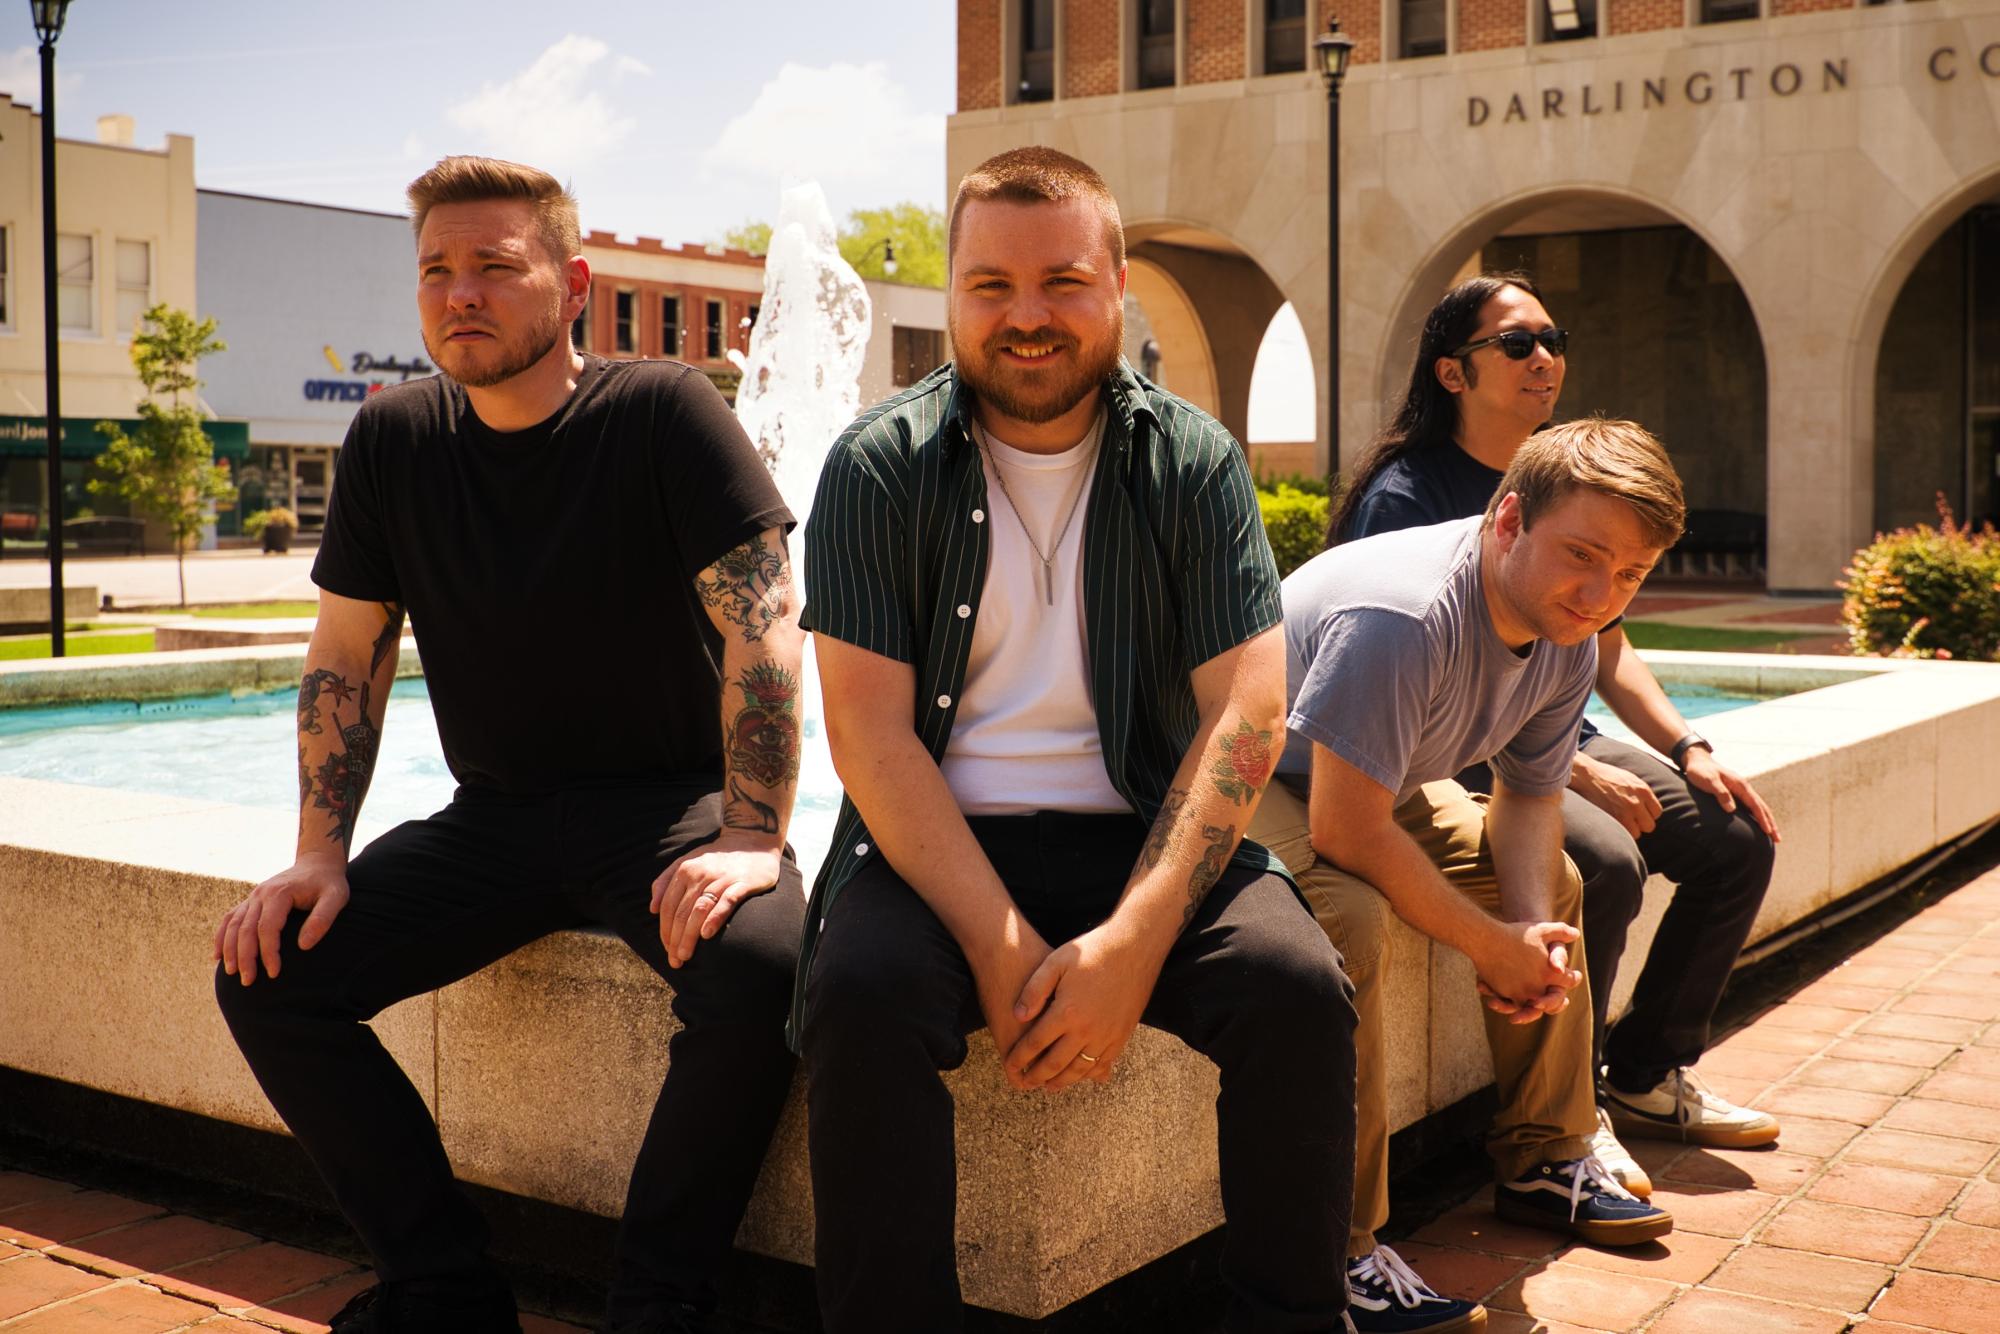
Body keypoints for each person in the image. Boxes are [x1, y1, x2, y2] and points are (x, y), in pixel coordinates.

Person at [212, 156, 806, 1334]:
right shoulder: (392, 441)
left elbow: (764, 624)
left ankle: (660, 1298)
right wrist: (317, 852)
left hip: (664, 805)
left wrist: (751, 834)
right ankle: (443, 1291)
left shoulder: (663, 410)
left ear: (573, 283)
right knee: (272, 973)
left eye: (494, 265)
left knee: (765, 966)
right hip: (494, 818)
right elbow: (347, 652)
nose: (459, 294)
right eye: (436, 269)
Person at [795, 146, 1359, 1334]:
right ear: (951, 292)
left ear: (1115, 286)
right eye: (989, 285)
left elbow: (1244, 715)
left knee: (1296, 989)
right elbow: (869, 739)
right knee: (859, 995)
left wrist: (1129, 947)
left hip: (1142, 832)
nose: (1025, 316)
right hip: (937, 839)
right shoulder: (875, 466)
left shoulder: (1191, 461)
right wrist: (1004, 951)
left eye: (1060, 281)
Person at [1331, 274, 1781, 1194]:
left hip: (1538, 741)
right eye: (1518, 343)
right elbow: (1410, 698)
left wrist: (1687, 747)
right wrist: (1572, 775)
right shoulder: (1409, 500)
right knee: (1604, 866)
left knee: (1733, 837)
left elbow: (1603, 645)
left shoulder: (1573, 480)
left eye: (1554, 338)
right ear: (1454, 373)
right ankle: (1569, 1119)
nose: (1545, 358)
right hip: (1437, 752)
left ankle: (1639, 1077)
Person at [1257, 419, 1687, 1333]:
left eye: (1630, 575)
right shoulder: (1404, 616)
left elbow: (1528, 799)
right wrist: (1486, 944)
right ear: (1508, 521)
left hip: (1369, 775)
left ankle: (1543, 1157)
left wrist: (1524, 940)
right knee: (1345, 918)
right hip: (1248, 770)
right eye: (1582, 554)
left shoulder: (1569, 623)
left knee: (1558, 888)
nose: (1601, 592)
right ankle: (1339, 1250)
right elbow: (1344, 830)